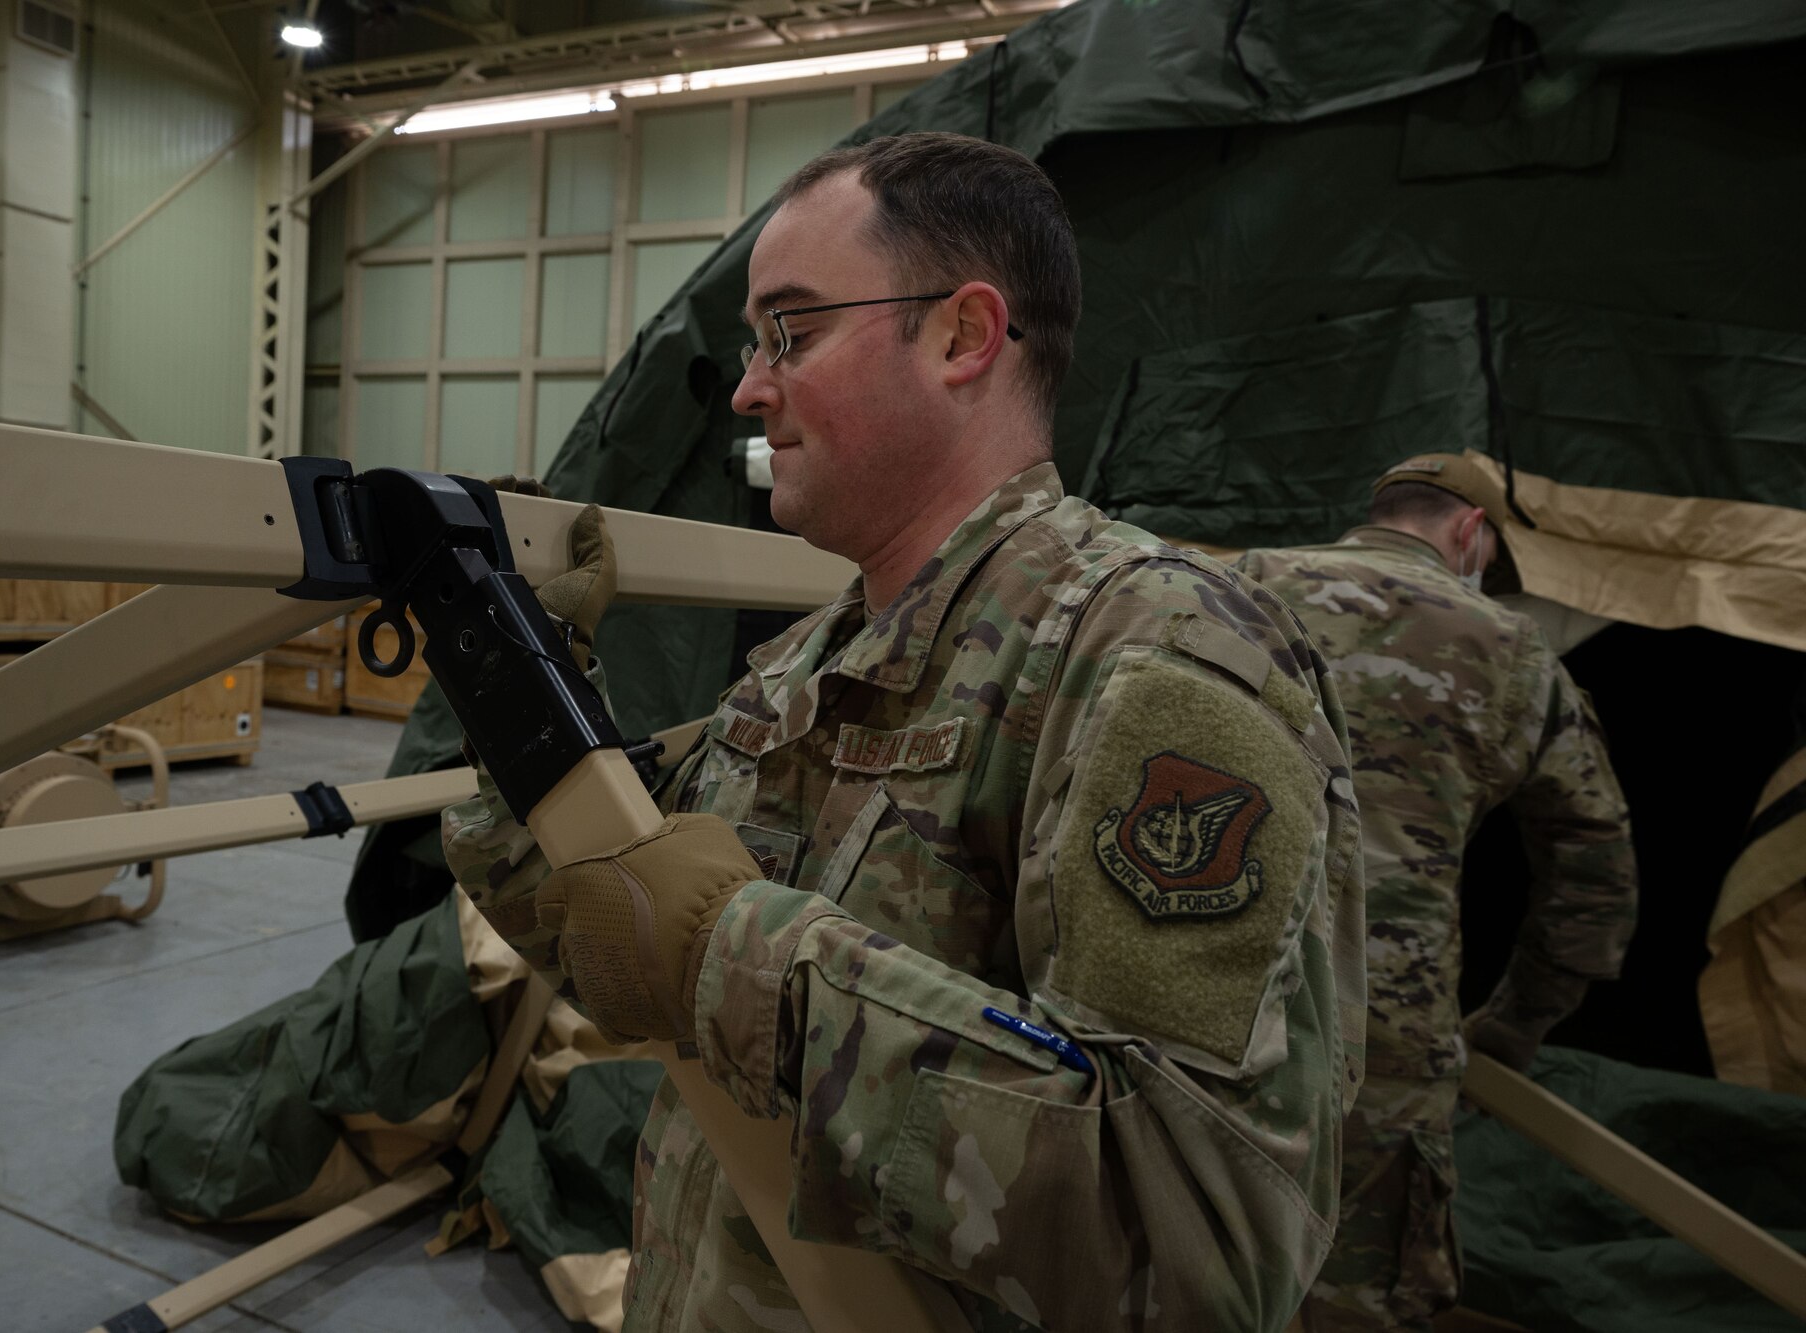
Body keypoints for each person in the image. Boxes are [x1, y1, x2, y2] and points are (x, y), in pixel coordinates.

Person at [443, 132, 1366, 1332]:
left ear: (960, 337)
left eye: (793, 331)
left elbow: (1192, 1236)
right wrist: (521, 712)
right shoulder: (800, 668)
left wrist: (736, 957)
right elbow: (618, 943)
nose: (746, 388)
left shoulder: (1161, 657)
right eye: (749, 343)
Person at [1236, 456, 1640, 1332]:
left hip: (1215, 1007)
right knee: (1360, 1299)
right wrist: (1519, 1018)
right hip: (1389, 1038)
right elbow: (1594, 861)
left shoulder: (1244, 585)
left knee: (1194, 1267)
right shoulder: (1507, 645)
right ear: (1471, 532)